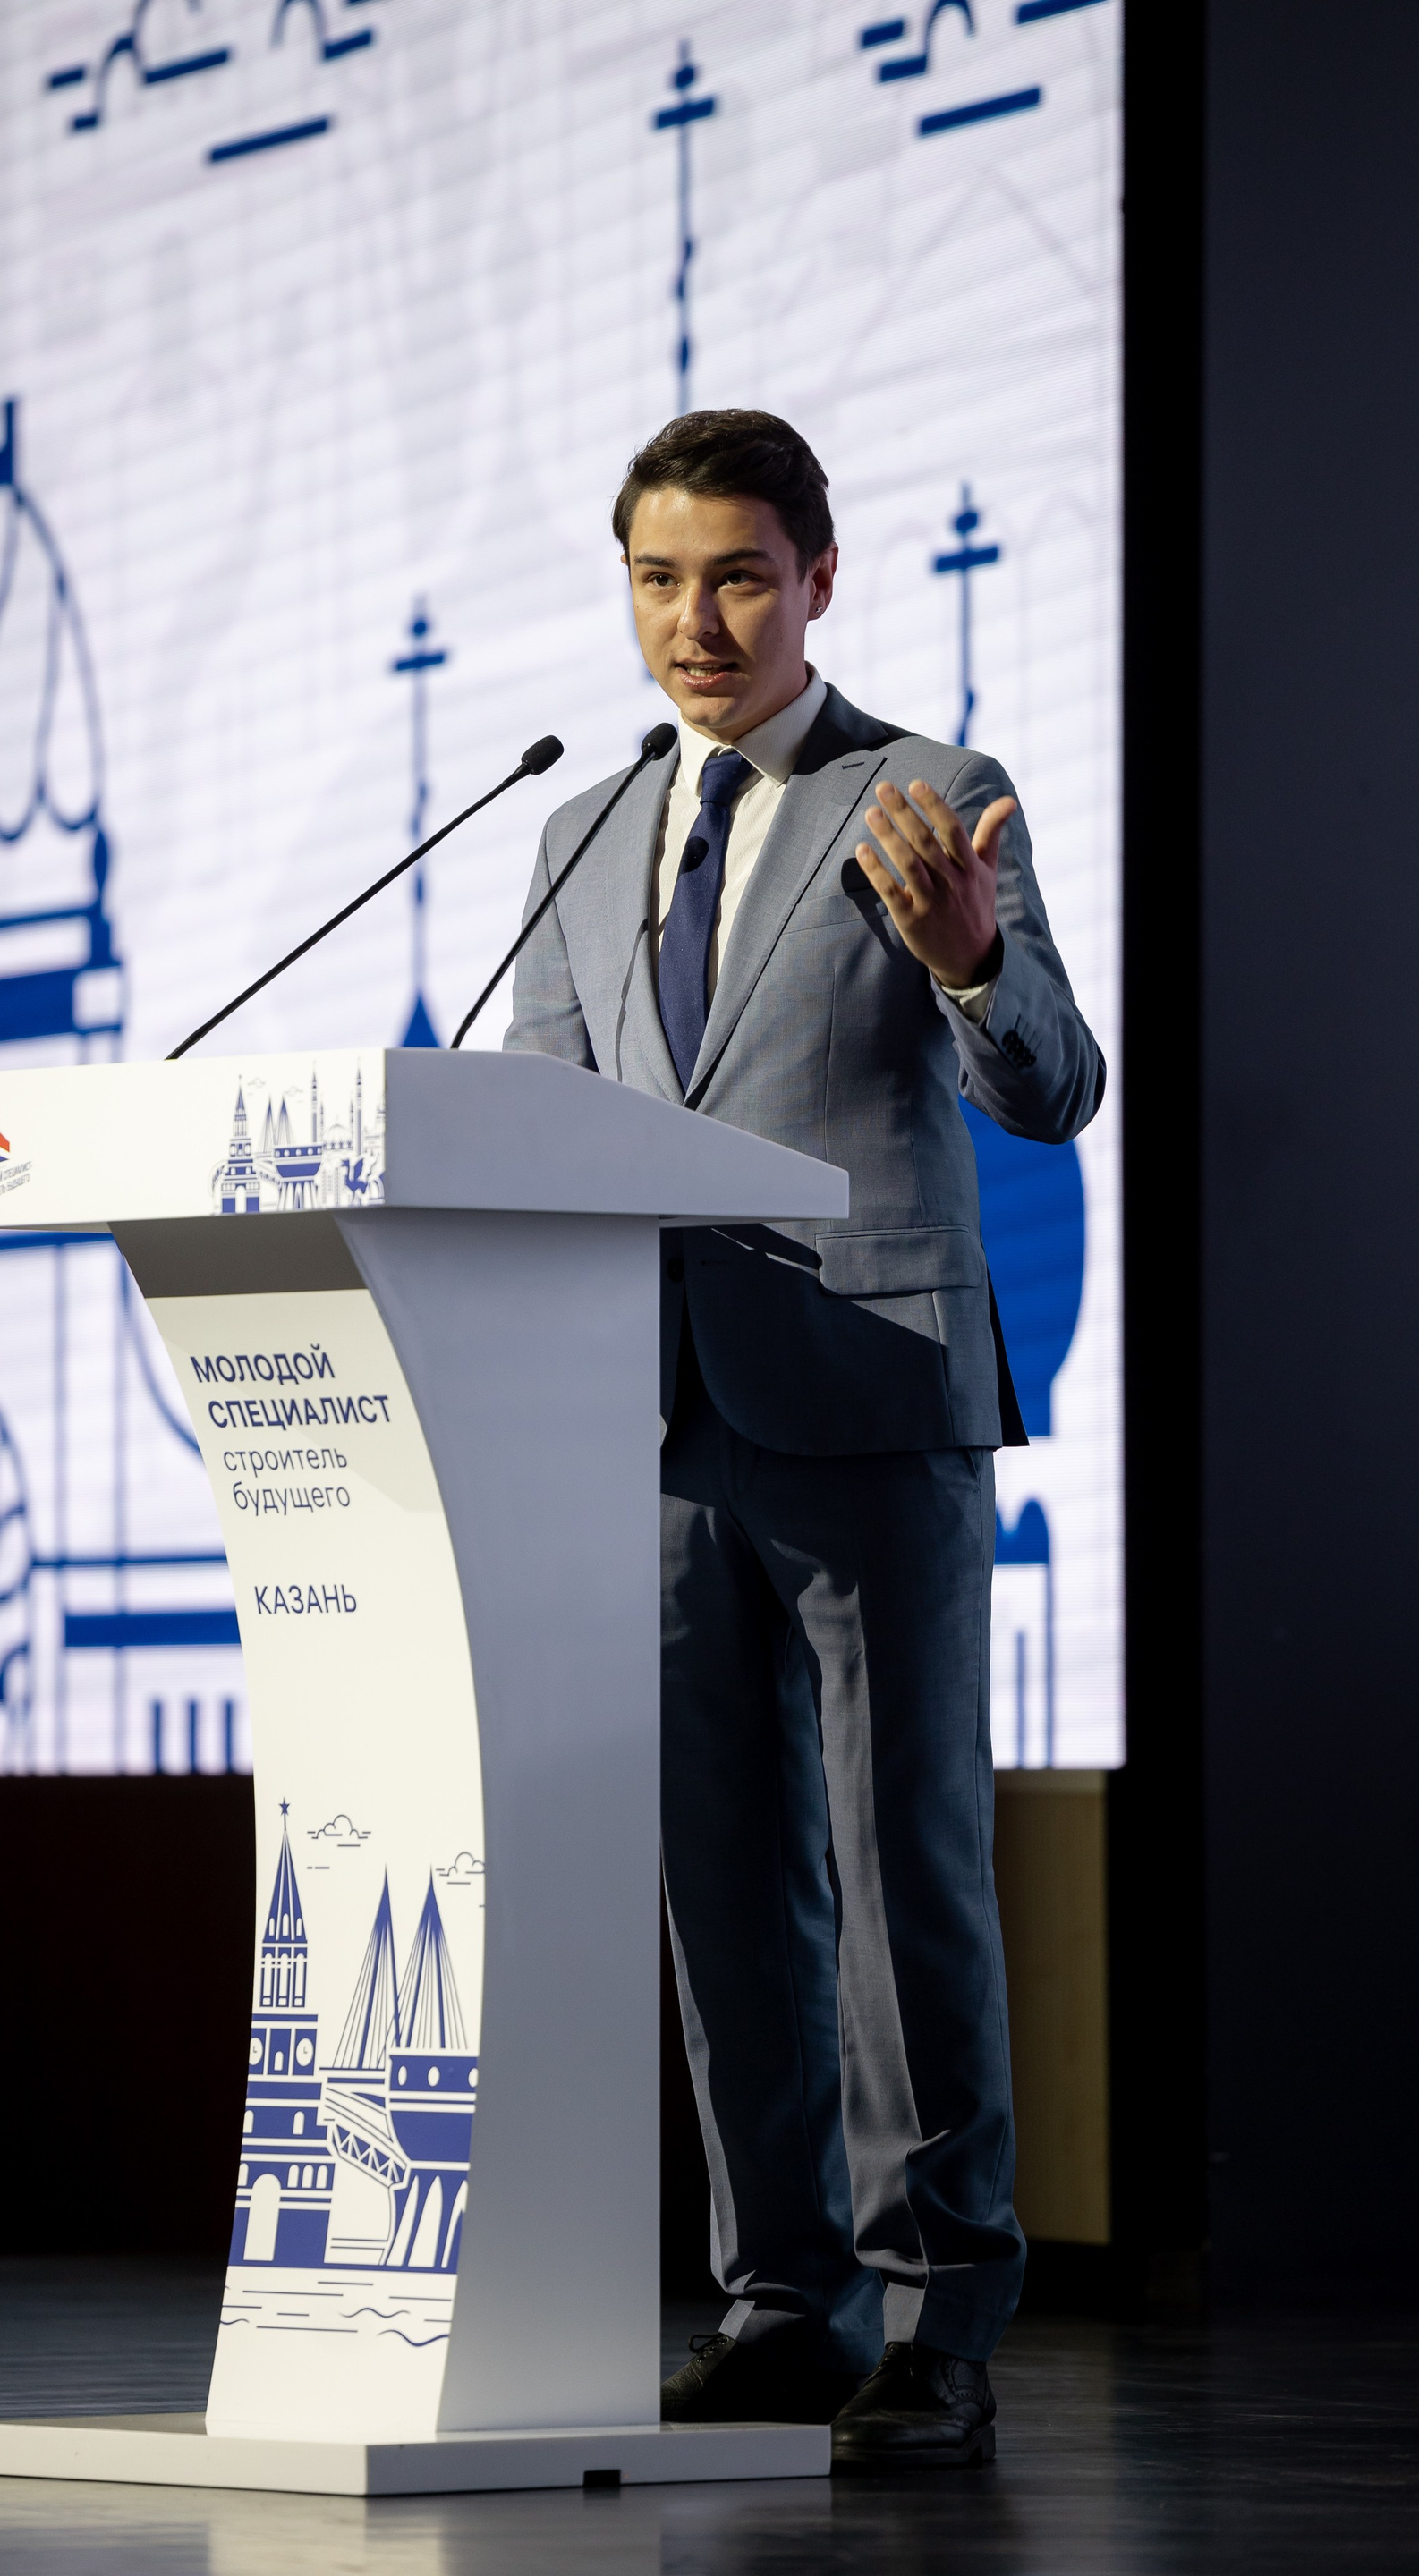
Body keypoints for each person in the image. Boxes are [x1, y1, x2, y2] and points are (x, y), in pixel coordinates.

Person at [504, 410, 1103, 2471]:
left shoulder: (931, 793)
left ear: (820, 580)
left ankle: (938, 2312)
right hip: (657, 1419)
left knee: (903, 1868)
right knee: (727, 1887)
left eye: (741, 576)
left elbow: (1053, 1088)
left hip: (870, 1403)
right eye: (660, 579)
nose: (699, 620)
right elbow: (547, 1125)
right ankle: (783, 2303)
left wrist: (971, 966)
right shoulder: (578, 835)